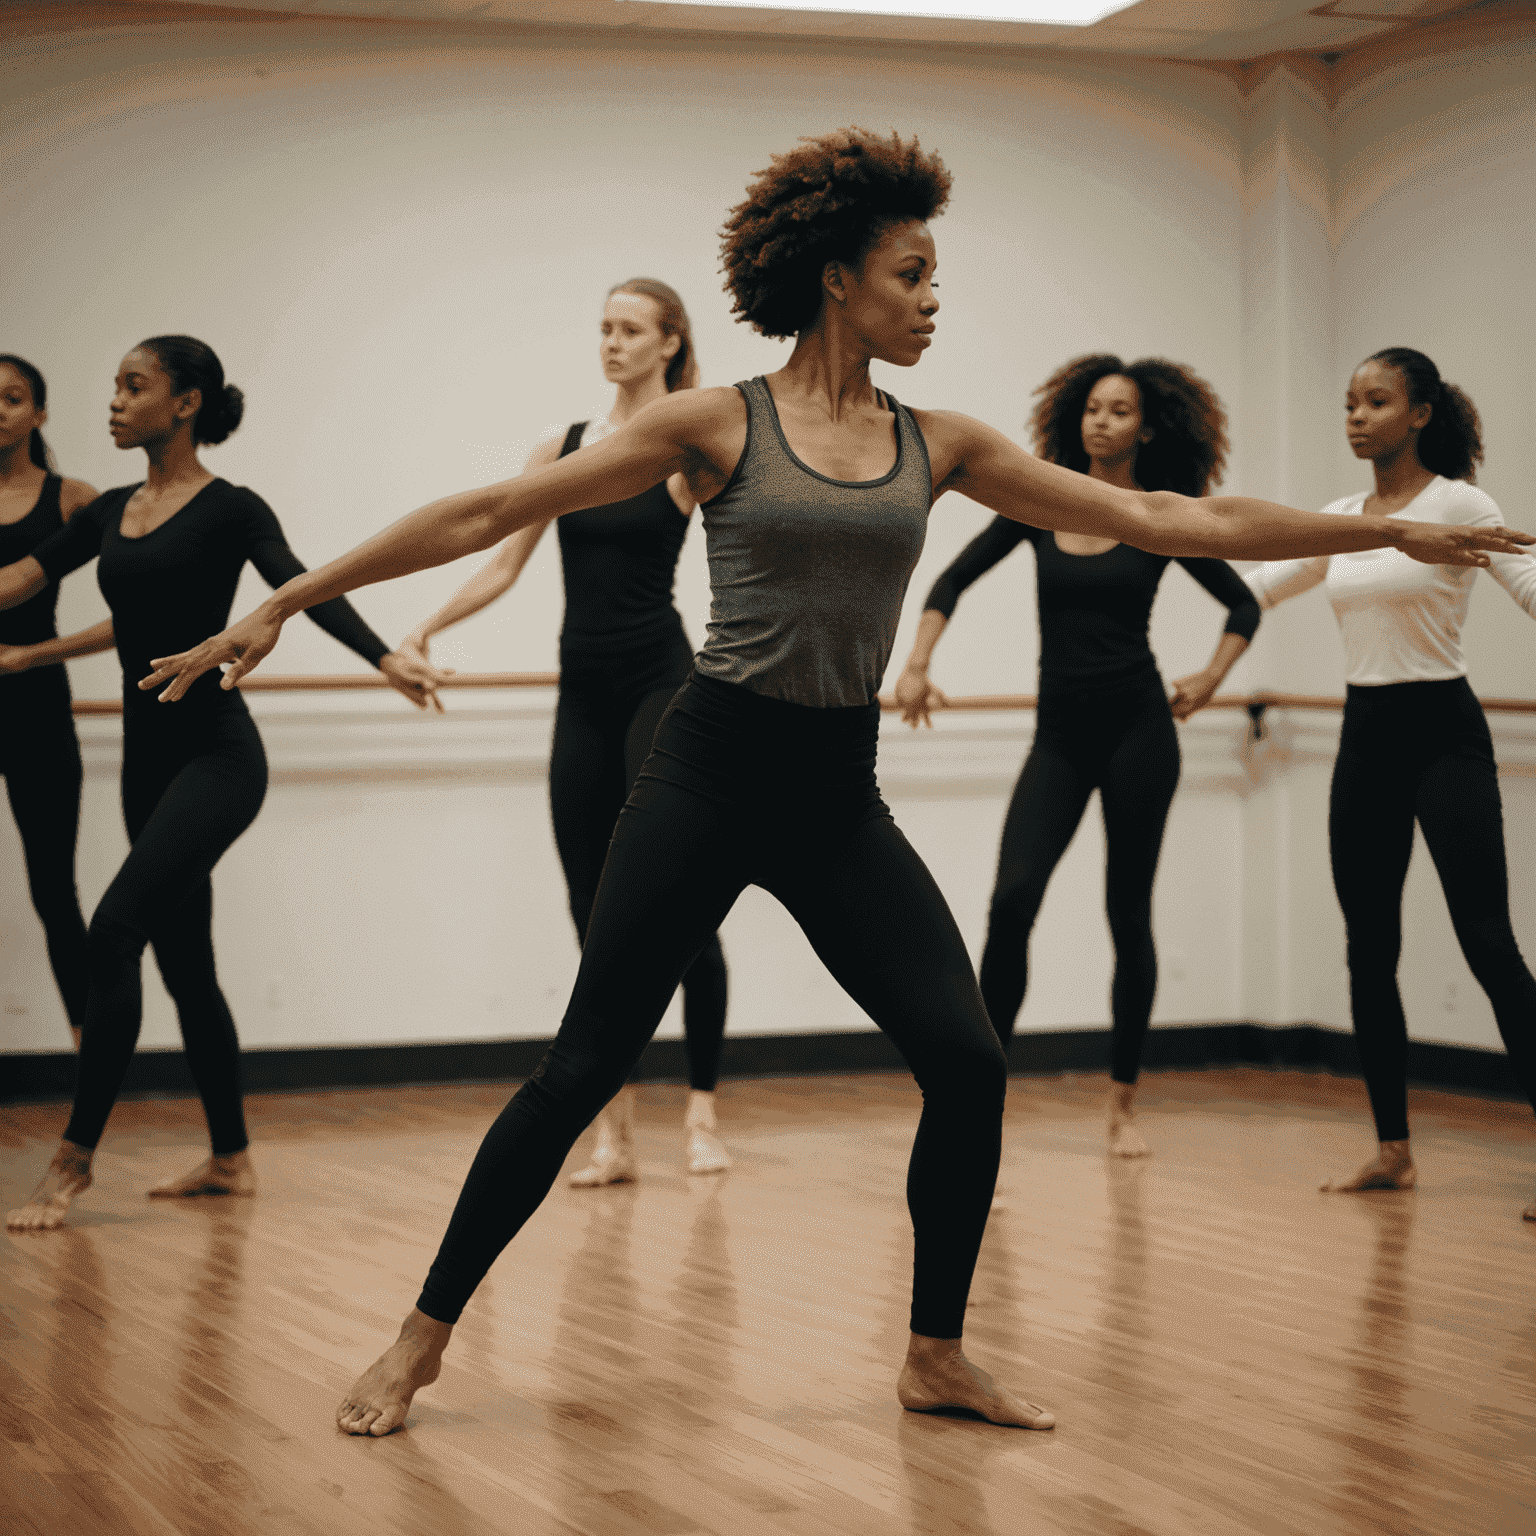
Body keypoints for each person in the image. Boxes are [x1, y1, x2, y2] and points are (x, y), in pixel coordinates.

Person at [138, 131, 1528, 1436]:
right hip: (708, 766)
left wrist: (1409, 529)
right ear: (837, 279)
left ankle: (933, 1352)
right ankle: (424, 1333)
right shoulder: (717, 423)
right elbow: (489, 513)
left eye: (936, 274)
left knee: (970, 1063)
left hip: (833, 789)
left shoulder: (951, 445)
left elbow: (1175, 518)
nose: (934, 298)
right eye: (913, 273)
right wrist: (290, 600)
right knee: (581, 1065)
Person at [2, 335, 440, 1232]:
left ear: (187, 402)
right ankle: (231, 1157)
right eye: (114, 386)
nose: (115, 403)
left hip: (218, 759)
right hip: (145, 764)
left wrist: (385, 656)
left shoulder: (232, 508)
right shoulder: (109, 511)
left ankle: (71, 1163)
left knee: (113, 928)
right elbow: (18, 579)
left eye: (135, 386)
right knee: (185, 963)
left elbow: (303, 589)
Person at [400, 279, 732, 1183]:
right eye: (605, 329)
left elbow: (754, 545)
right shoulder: (569, 447)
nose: (612, 344)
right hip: (580, 691)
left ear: (670, 343)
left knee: (676, 903)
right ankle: (614, 1128)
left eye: (630, 330)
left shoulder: (687, 447)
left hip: (657, 682)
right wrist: (429, 625)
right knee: (590, 908)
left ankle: (702, 1114)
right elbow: (504, 557)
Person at [896, 355, 1259, 1158]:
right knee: (1012, 901)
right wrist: (918, 663)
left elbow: (1241, 603)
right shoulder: (1038, 503)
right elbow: (949, 582)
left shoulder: (1154, 515)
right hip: (1059, 739)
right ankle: (977, 1094)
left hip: (1138, 734)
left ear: (1146, 427)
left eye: (1119, 411)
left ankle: (1123, 1103)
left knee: (1127, 914)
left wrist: (1208, 675)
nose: (1102, 421)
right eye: (1093, 408)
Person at [1245, 347, 1536, 1218]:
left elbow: (1524, 578)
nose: (1357, 416)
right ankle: (1392, 1151)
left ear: (1420, 414)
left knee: (1489, 944)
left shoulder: (1459, 504)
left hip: (1444, 734)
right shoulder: (1342, 519)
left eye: (1376, 402)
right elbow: (1259, 583)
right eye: (1349, 402)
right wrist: (1161, 548)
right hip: (1366, 737)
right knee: (1368, 949)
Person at [0, 354, 102, 1049]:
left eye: (11, 398)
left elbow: (148, 601)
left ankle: (91, 1053)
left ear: (38, 413)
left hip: (33, 705)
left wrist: (30, 656)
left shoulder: (74, 500)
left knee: (54, 893)